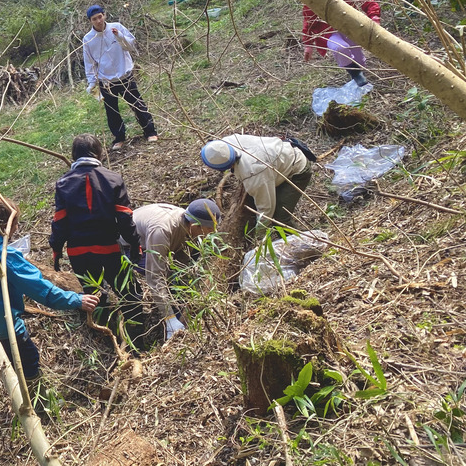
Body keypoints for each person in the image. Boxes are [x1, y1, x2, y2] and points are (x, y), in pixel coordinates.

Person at [0, 197, 99, 380]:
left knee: (8, 362)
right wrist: (76, 300)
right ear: (6, 226)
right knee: (28, 362)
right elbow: (42, 291)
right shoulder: (4, 258)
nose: (17, 228)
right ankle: (34, 400)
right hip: (4, 327)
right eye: (16, 223)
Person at [49, 134, 142, 326]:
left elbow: (60, 221)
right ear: (99, 153)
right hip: (108, 248)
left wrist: (56, 249)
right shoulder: (113, 179)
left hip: (78, 252)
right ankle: (137, 339)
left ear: (74, 155)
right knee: (130, 295)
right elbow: (125, 218)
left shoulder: (63, 183)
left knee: (94, 296)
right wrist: (134, 243)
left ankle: (107, 336)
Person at [132, 199, 220, 341]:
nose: (211, 234)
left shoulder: (190, 227)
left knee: (176, 279)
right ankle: (170, 323)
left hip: (169, 240)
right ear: (195, 225)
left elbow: (182, 266)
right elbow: (155, 277)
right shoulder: (161, 230)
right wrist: (170, 318)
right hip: (132, 245)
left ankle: (181, 320)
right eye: (209, 230)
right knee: (163, 277)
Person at [82, 5, 158, 151]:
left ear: (104, 15)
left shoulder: (116, 27)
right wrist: (92, 83)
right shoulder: (88, 39)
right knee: (112, 111)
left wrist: (119, 36)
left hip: (125, 75)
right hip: (106, 81)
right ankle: (119, 137)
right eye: (94, 19)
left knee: (137, 104)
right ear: (90, 21)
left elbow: (131, 46)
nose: (98, 20)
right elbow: (89, 62)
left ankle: (150, 131)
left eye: (100, 16)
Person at [200, 135, 313, 232]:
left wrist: (258, 236)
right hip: (278, 160)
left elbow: (266, 211)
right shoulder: (225, 143)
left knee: (279, 219)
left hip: (297, 170)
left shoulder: (254, 174)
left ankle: (306, 245)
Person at [301, 0, 379, 87]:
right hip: (327, 30)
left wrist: (374, 16)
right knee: (340, 48)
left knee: (358, 58)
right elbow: (309, 18)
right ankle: (355, 73)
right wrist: (308, 44)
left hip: (350, 24)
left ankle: (360, 71)